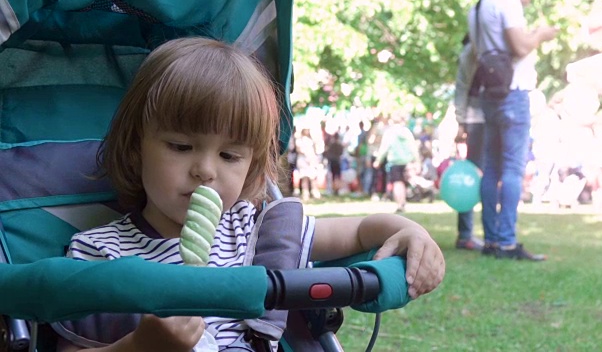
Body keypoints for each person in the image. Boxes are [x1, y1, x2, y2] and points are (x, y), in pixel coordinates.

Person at [54, 37, 445, 352]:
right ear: (138, 147)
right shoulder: (99, 255)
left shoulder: (253, 231)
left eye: (228, 155)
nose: (205, 170)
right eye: (180, 146)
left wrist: (406, 228)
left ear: (251, 165)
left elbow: (359, 232)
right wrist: (140, 347)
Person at [468, 0, 558, 260]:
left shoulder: (478, 6)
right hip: (513, 91)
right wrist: (540, 34)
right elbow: (519, 47)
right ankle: (507, 242)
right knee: (512, 169)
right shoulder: (508, 1)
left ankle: (491, 241)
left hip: (489, 91)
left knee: (492, 168)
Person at [453, 33, 485, 252]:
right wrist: (461, 121)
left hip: (494, 117)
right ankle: (465, 235)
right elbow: (462, 86)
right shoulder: (470, 52)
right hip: (476, 119)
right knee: (471, 178)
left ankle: (494, 235)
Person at [373, 114, 421, 213]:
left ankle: (400, 203)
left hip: (395, 161)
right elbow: (413, 147)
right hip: (407, 161)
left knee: (397, 183)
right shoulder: (406, 132)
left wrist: (378, 160)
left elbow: (384, 148)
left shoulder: (389, 133)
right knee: (403, 182)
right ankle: (403, 201)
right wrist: (417, 161)